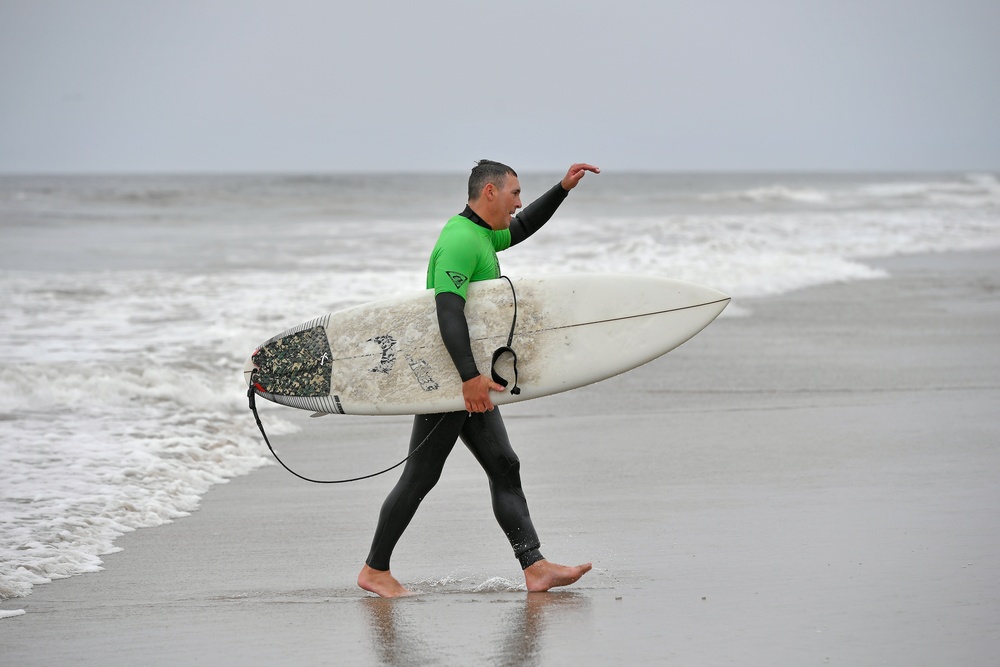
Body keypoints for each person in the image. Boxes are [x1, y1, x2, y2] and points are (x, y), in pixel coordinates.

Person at [358, 160, 601, 598]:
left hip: (468, 378)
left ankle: (536, 567)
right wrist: (469, 378)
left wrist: (562, 188)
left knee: (503, 465)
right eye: (514, 193)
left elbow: (522, 226)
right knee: (421, 475)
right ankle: (375, 570)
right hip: (453, 378)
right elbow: (447, 311)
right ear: (490, 192)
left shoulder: (481, 235)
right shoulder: (459, 241)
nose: (519, 202)